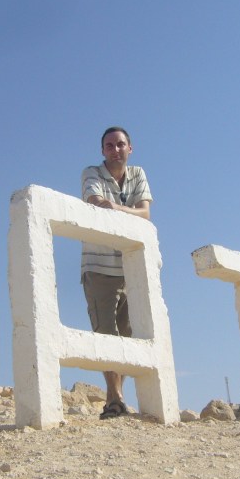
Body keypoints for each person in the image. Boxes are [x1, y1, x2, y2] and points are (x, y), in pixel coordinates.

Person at [81, 126, 153, 419]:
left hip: (129, 268)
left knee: (127, 335)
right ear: (102, 150)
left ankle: (115, 400)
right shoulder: (92, 173)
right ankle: (116, 398)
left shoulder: (138, 174)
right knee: (105, 332)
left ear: (130, 148)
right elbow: (96, 202)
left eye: (120, 144)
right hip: (99, 266)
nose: (115, 150)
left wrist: (117, 208)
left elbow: (145, 213)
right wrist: (121, 209)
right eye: (109, 145)